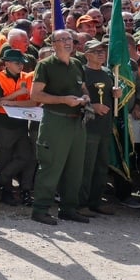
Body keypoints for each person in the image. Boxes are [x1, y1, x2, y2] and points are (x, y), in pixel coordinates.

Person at [28, 30, 92, 225]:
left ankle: (68, 208)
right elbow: (35, 95)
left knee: (75, 168)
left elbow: (82, 88)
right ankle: (40, 209)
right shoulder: (45, 65)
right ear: (53, 44)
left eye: (70, 39)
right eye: (62, 39)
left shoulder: (77, 64)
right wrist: (63, 100)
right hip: (55, 121)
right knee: (51, 166)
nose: (68, 42)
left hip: (76, 122)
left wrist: (86, 98)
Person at [0, 49, 36, 205]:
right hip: (3, 122)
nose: (21, 66)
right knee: (4, 158)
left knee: (26, 156)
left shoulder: (26, 77)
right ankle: (6, 193)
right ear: (6, 64)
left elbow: (32, 101)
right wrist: (17, 94)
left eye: (22, 63)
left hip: (20, 122)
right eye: (17, 63)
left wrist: (12, 101)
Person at [78, 40, 120, 217]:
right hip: (89, 126)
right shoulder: (82, 72)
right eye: (96, 51)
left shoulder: (107, 73)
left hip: (105, 127)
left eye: (103, 51)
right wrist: (92, 106)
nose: (101, 54)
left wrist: (117, 94)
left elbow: (113, 97)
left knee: (102, 166)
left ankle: (96, 201)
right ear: (87, 54)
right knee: (86, 167)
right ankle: (81, 204)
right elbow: (75, 96)